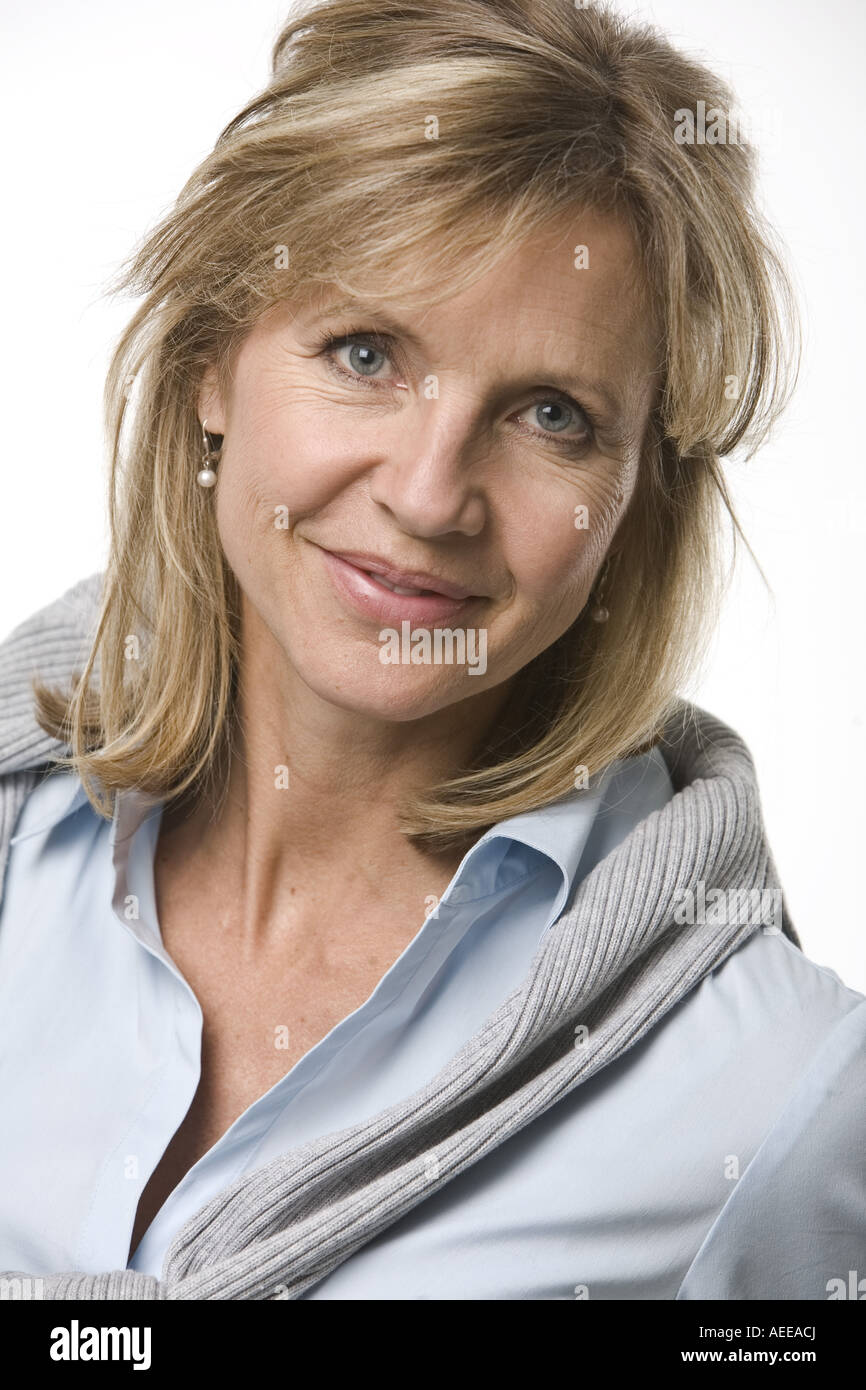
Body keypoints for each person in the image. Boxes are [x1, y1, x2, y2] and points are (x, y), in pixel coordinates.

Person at [0, 0, 863, 1301]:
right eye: (364, 352)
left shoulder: (775, 1083)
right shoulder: (20, 850)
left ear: (635, 505)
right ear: (210, 366)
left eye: (549, 414)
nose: (427, 491)